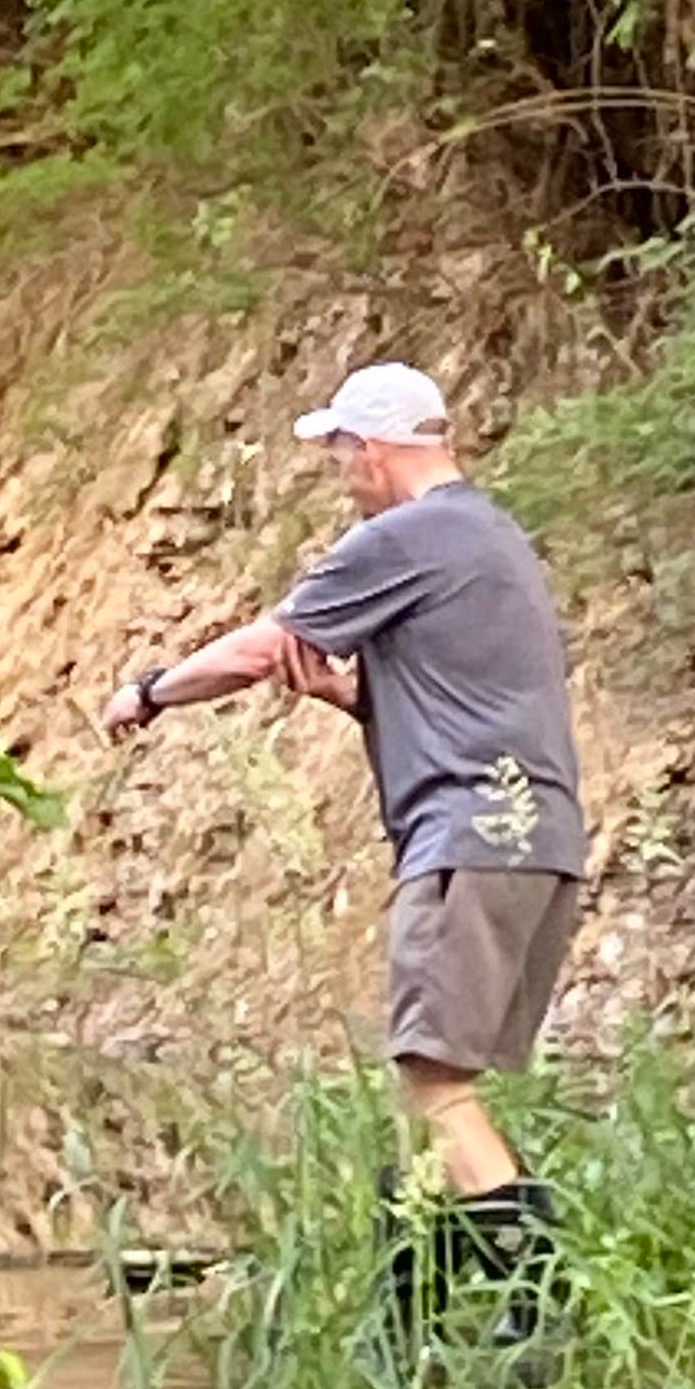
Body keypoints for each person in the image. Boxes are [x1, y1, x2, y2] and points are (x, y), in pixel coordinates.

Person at [102, 359, 583, 1326]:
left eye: (340, 453)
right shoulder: (492, 538)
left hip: (465, 837)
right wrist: (346, 696)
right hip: (539, 838)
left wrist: (149, 692)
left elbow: (252, 650)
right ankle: (411, 1304)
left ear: (375, 449)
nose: (338, 471)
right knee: (446, 1082)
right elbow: (466, 697)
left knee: (433, 1077)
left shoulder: (402, 538)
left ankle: (549, 1301)